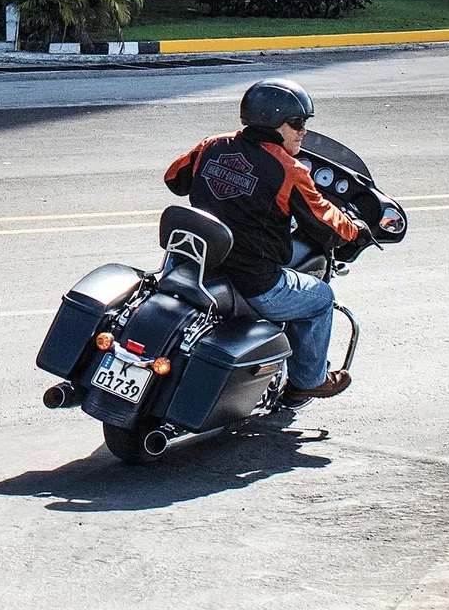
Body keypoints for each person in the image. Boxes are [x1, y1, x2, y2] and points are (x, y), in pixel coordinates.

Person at [165, 78, 399, 404]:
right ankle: (307, 381)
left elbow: (174, 178)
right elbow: (324, 223)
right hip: (254, 281)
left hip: (195, 265)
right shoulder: (289, 170)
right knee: (320, 297)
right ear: (274, 123)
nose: (303, 132)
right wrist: (358, 230)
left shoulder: (212, 145)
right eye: (298, 123)